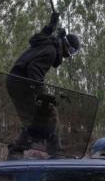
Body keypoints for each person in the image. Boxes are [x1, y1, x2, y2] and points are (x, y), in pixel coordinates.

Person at [6, 11, 81, 160]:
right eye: (70, 52)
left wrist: (51, 25)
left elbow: (38, 37)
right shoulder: (52, 51)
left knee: (45, 115)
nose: (67, 56)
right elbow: (33, 70)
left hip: (18, 82)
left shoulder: (47, 43)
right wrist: (42, 95)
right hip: (21, 84)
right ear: (67, 48)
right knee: (40, 117)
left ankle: (54, 151)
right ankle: (18, 151)